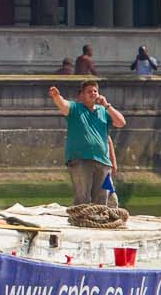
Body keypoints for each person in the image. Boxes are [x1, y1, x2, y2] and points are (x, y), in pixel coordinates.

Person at [47, 77, 126, 206]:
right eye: (89, 91)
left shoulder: (104, 111)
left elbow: (121, 122)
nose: (93, 93)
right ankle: (81, 222)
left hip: (103, 162)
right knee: (82, 199)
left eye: (95, 91)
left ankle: (98, 223)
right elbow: (63, 104)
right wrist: (57, 97)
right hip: (81, 160)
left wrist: (107, 105)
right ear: (82, 95)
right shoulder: (75, 108)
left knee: (101, 201)